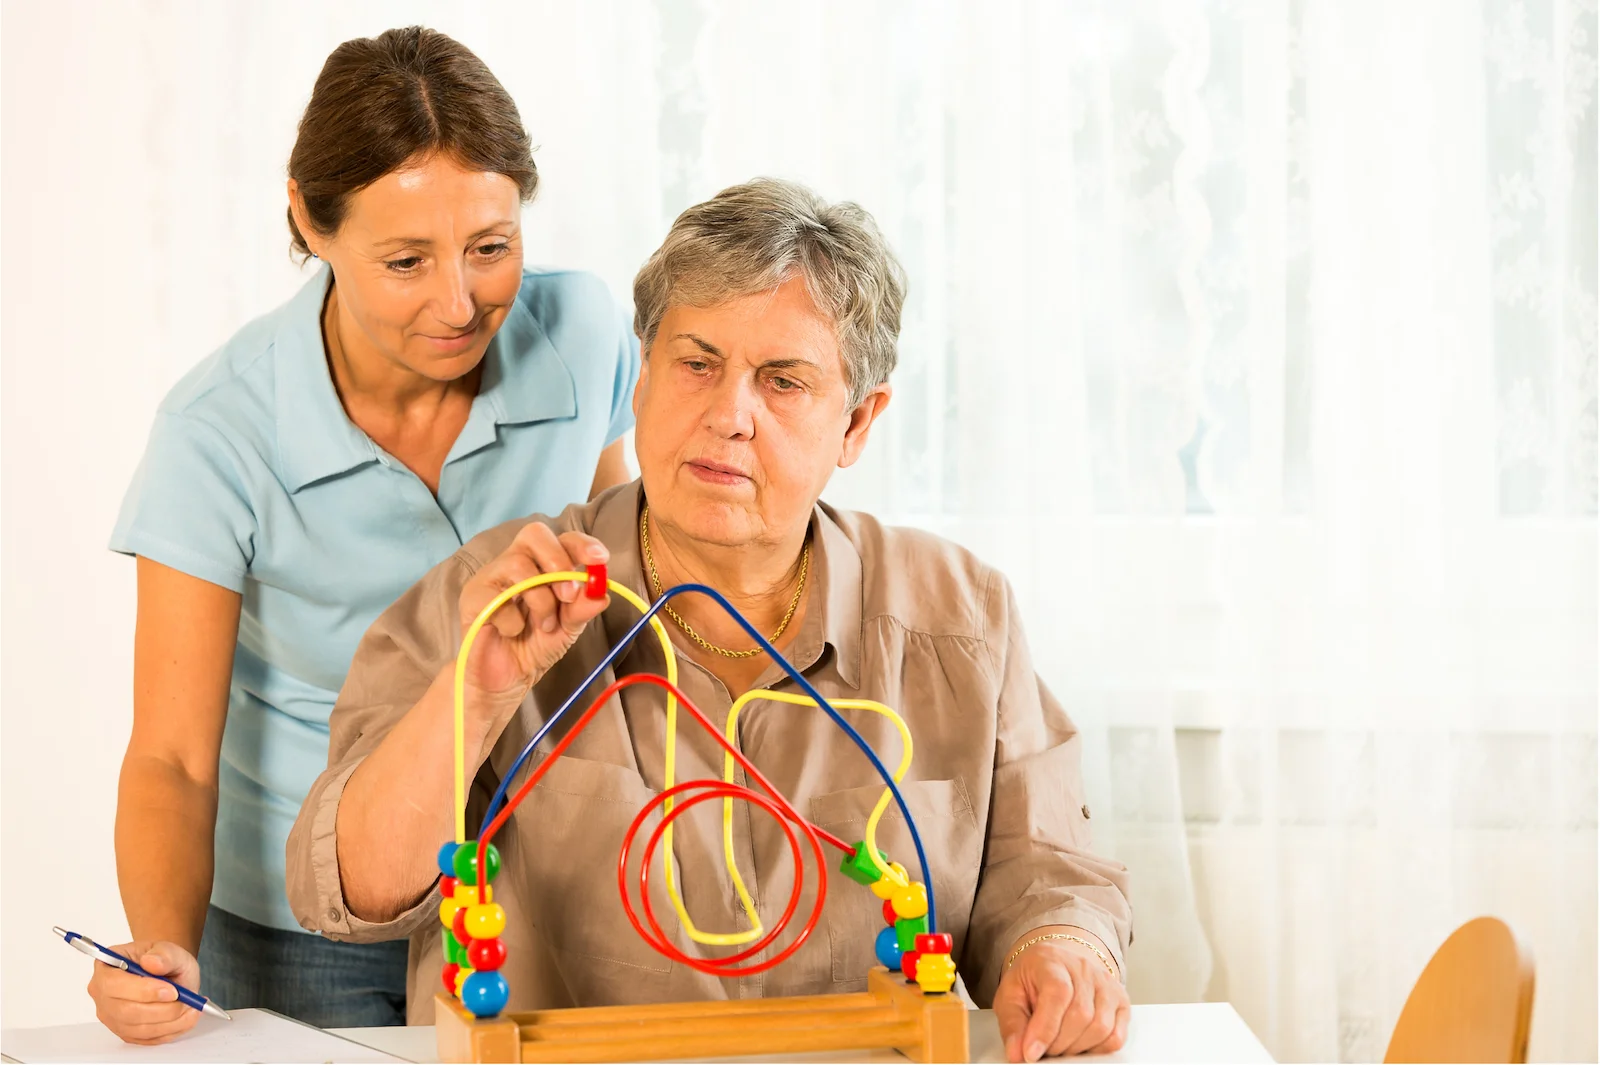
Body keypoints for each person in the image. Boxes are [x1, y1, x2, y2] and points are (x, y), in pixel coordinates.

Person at [288, 178, 1133, 1061]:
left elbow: (1048, 875)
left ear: (858, 423)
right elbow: (352, 892)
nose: (730, 415)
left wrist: (1060, 950)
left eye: (783, 381)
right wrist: (475, 697)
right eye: (696, 364)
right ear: (642, 377)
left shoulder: (963, 616)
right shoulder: (495, 592)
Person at [89, 27, 640, 1044]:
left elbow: (623, 591)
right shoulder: (218, 430)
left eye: (492, 246)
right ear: (307, 215)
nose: (459, 303)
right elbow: (173, 756)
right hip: (308, 917)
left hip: (535, 884)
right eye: (404, 261)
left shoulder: (587, 333)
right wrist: (161, 945)